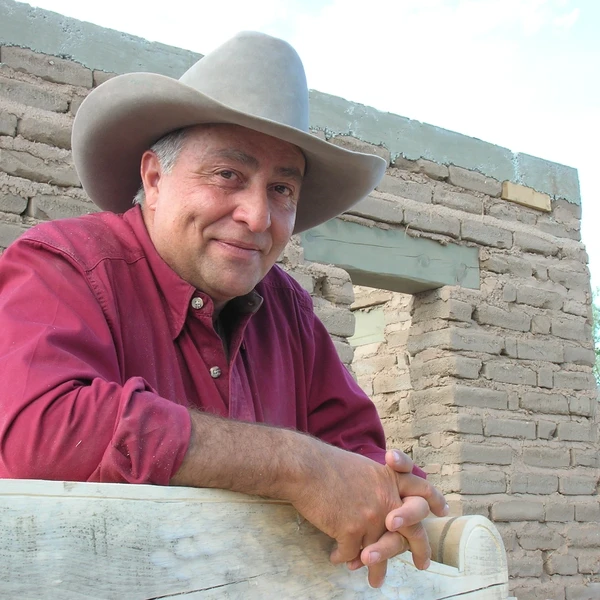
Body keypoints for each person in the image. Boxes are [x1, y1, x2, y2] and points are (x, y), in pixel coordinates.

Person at [0, 32, 447, 587]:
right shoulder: (62, 265)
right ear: (155, 179)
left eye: (282, 188)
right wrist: (293, 467)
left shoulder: (288, 311)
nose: (258, 216)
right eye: (228, 175)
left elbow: (357, 454)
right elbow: (40, 435)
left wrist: (394, 500)